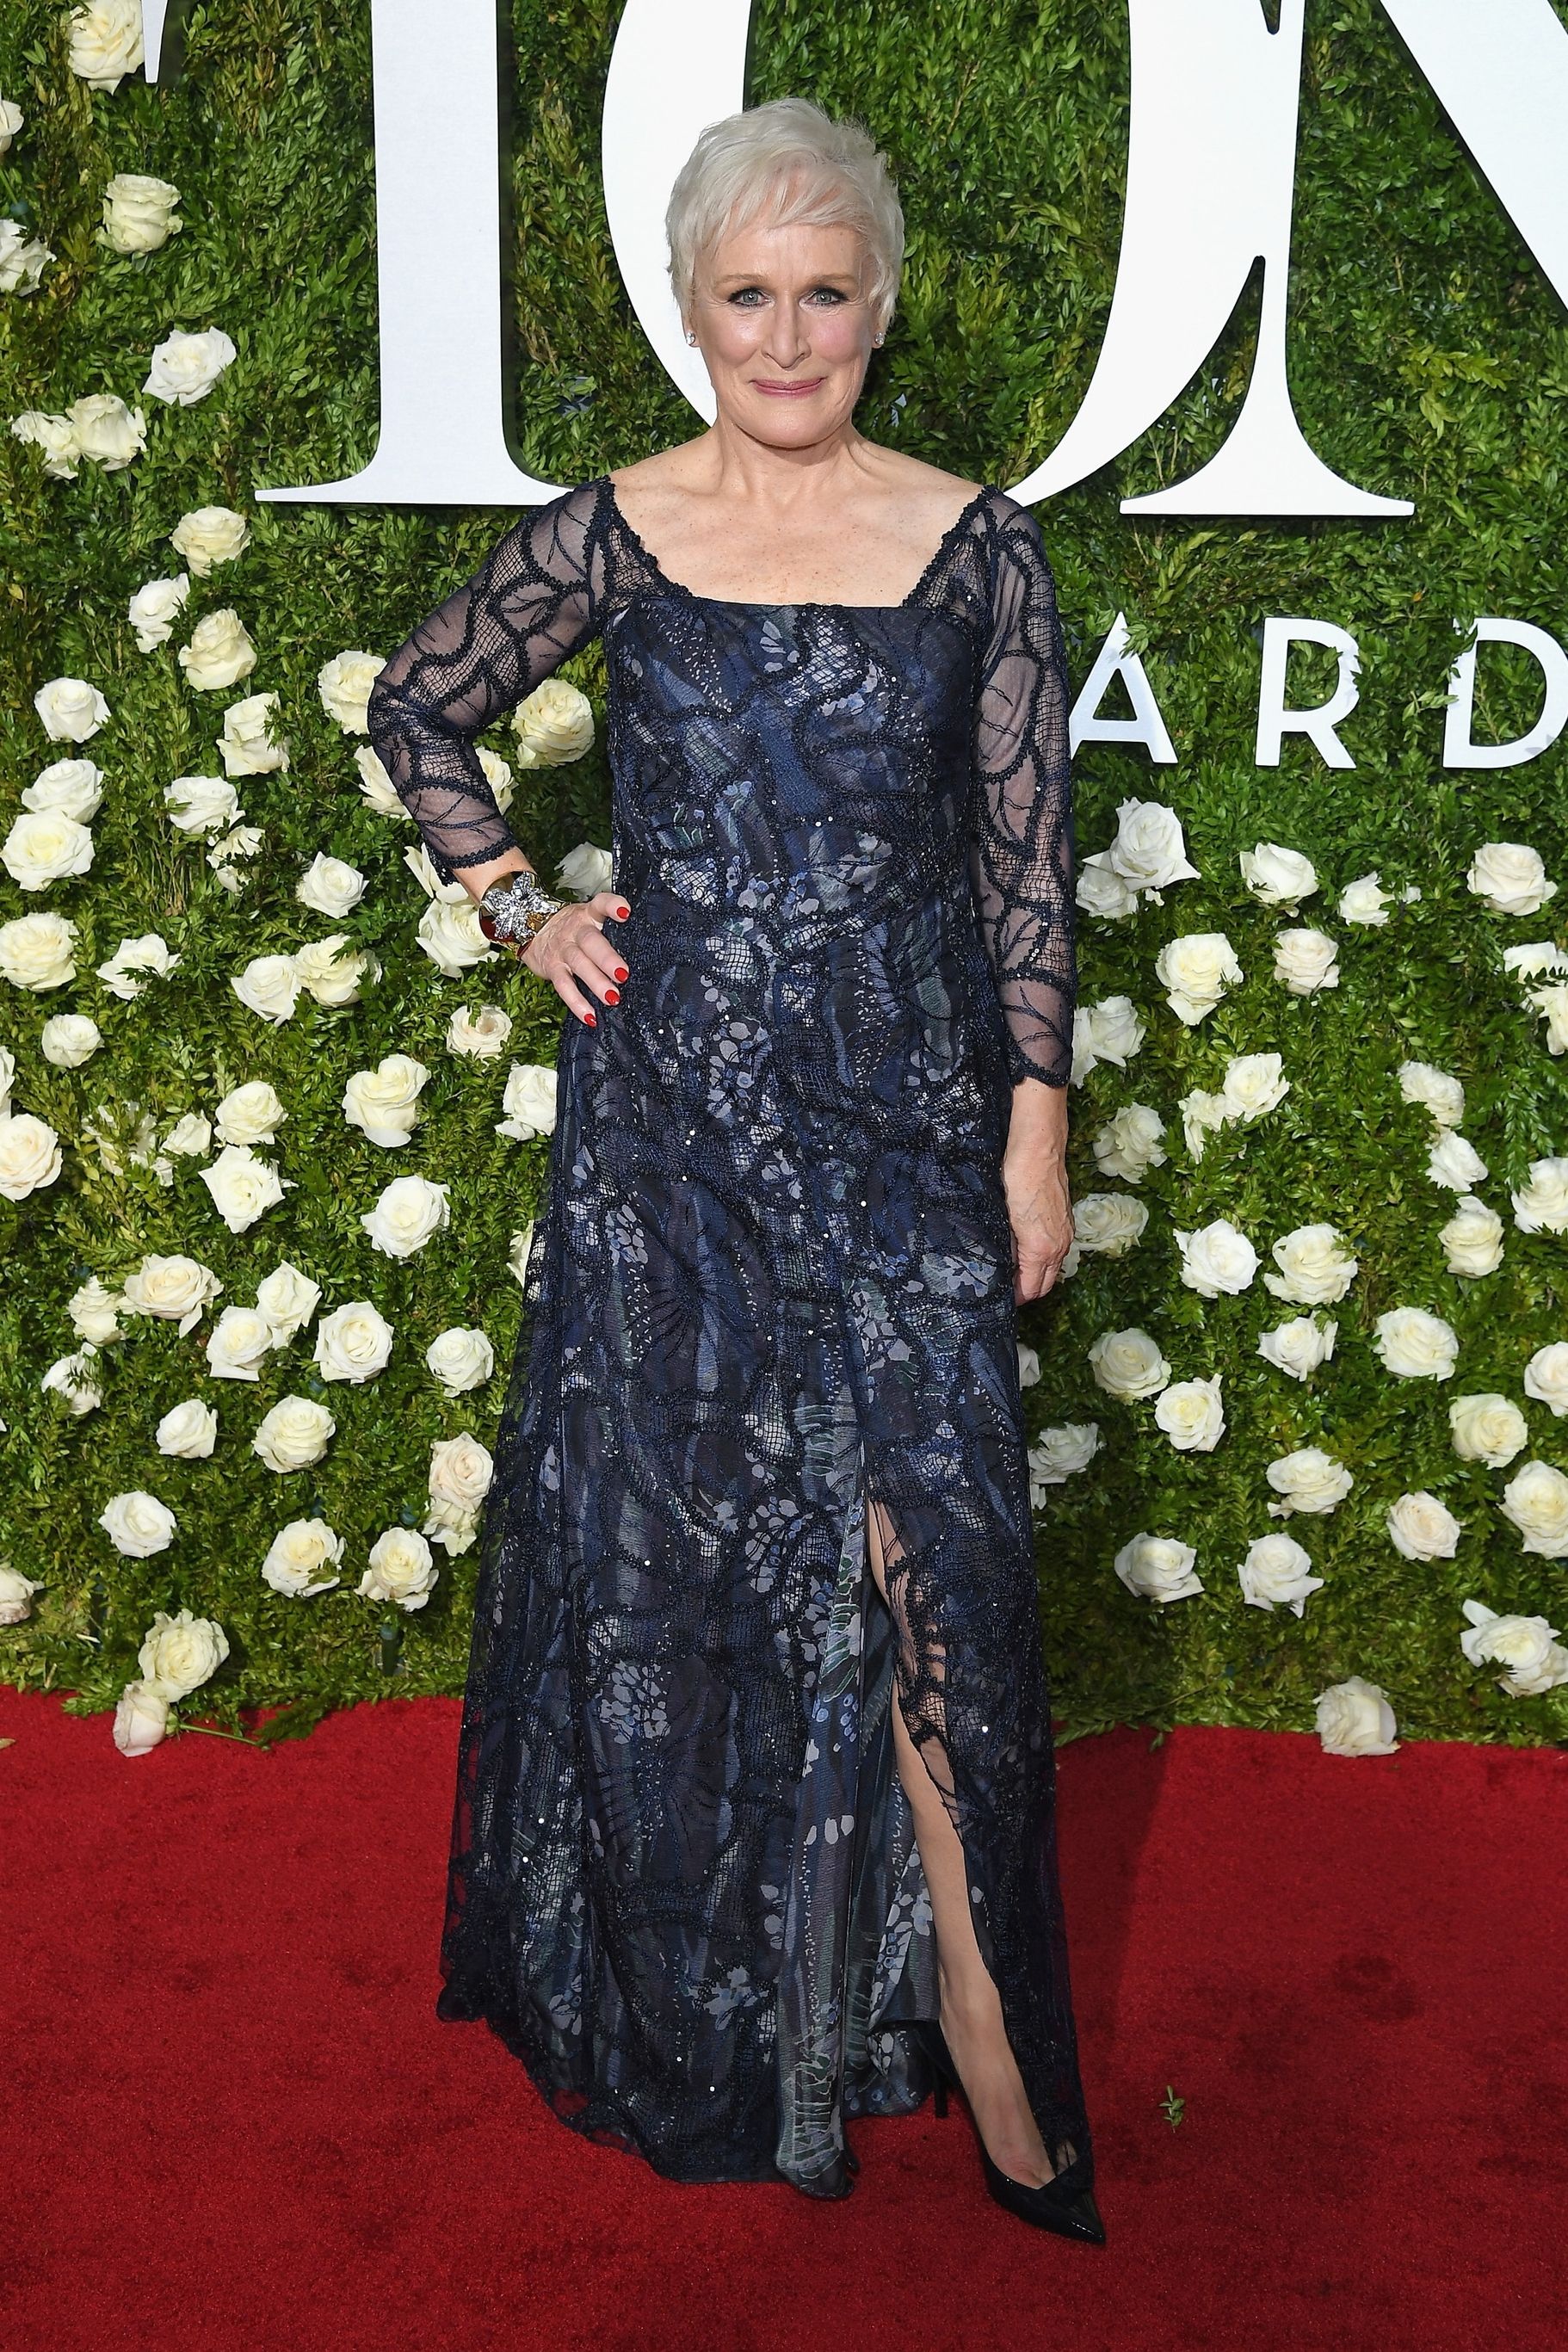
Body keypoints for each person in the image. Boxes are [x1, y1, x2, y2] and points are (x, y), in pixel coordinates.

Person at [364, 94, 1102, 2243]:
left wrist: (1032, 1134)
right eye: (745, 293)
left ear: (879, 307)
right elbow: (418, 706)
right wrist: (524, 909)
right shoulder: (615, 530)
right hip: (670, 1136)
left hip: (905, 1120)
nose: (786, 337)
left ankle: (979, 2006)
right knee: (686, 1567)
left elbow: (1024, 874)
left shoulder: (977, 548)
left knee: (927, 1553)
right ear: (689, 307)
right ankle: (730, 2010)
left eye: (824, 293)